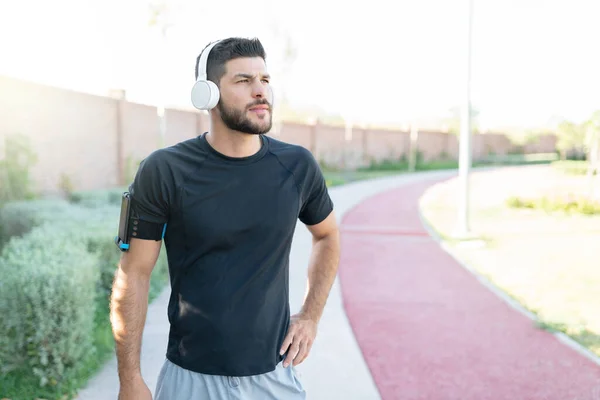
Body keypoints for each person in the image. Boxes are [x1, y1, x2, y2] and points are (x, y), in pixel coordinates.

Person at [109, 37, 340, 400]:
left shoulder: (297, 167)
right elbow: (133, 273)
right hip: (189, 380)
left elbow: (327, 236)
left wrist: (310, 315)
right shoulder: (165, 171)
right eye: (243, 81)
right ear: (207, 95)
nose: (260, 91)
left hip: (274, 379)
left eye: (264, 80)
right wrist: (130, 380)